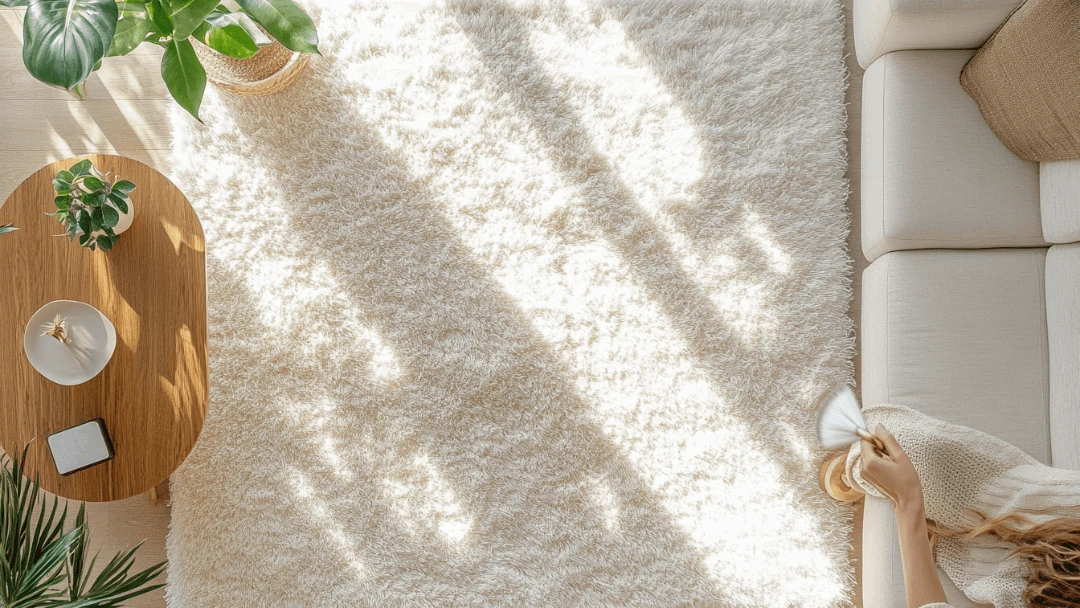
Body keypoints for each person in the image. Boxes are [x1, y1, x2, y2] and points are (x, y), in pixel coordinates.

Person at [834, 404, 1080, 608]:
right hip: (1048, 513)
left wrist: (908, 504)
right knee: (918, 449)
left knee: (902, 457)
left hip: (1035, 583)